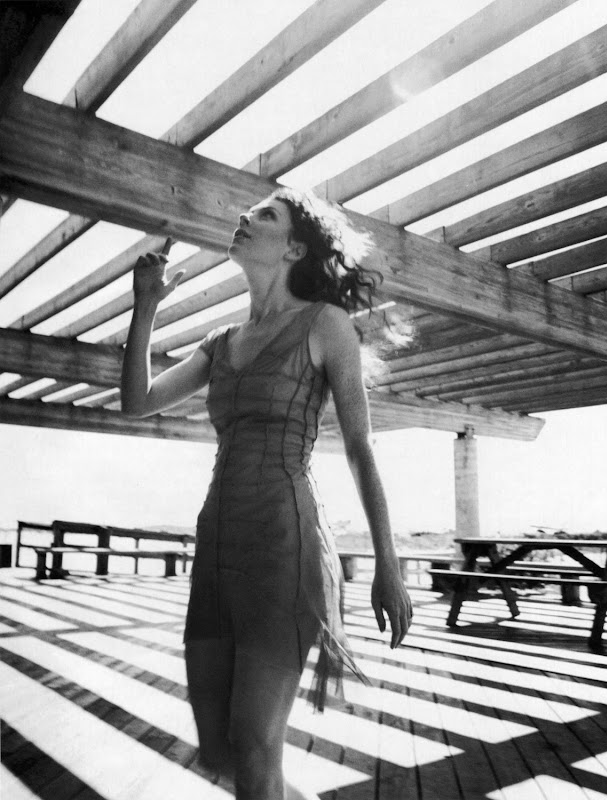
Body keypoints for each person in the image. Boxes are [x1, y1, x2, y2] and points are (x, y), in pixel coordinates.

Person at [121, 187, 413, 800]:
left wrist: (388, 563)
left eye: (265, 215)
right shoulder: (220, 342)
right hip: (216, 547)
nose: (244, 217)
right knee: (227, 746)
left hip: (283, 545)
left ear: (295, 249)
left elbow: (360, 448)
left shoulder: (326, 324)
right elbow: (137, 402)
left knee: (255, 741)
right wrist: (145, 305)